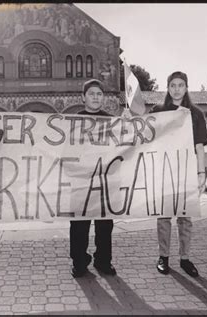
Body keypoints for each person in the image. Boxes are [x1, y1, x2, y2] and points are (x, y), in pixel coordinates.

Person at [149, 71, 207, 277]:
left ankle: (185, 258)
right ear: (167, 88)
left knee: (185, 217)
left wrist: (201, 172)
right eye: (172, 85)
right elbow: (145, 137)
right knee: (163, 216)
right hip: (164, 170)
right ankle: (163, 257)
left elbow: (199, 146)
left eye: (180, 85)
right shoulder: (158, 110)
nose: (176, 89)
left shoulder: (195, 113)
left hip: (187, 169)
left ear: (186, 87)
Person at [69, 79, 116, 278]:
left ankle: (103, 261)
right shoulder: (73, 120)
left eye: (99, 94)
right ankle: (79, 261)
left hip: (105, 180)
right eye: (91, 93)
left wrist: (130, 123)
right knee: (79, 225)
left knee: (105, 225)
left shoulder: (112, 120)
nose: (96, 97)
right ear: (83, 97)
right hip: (81, 181)